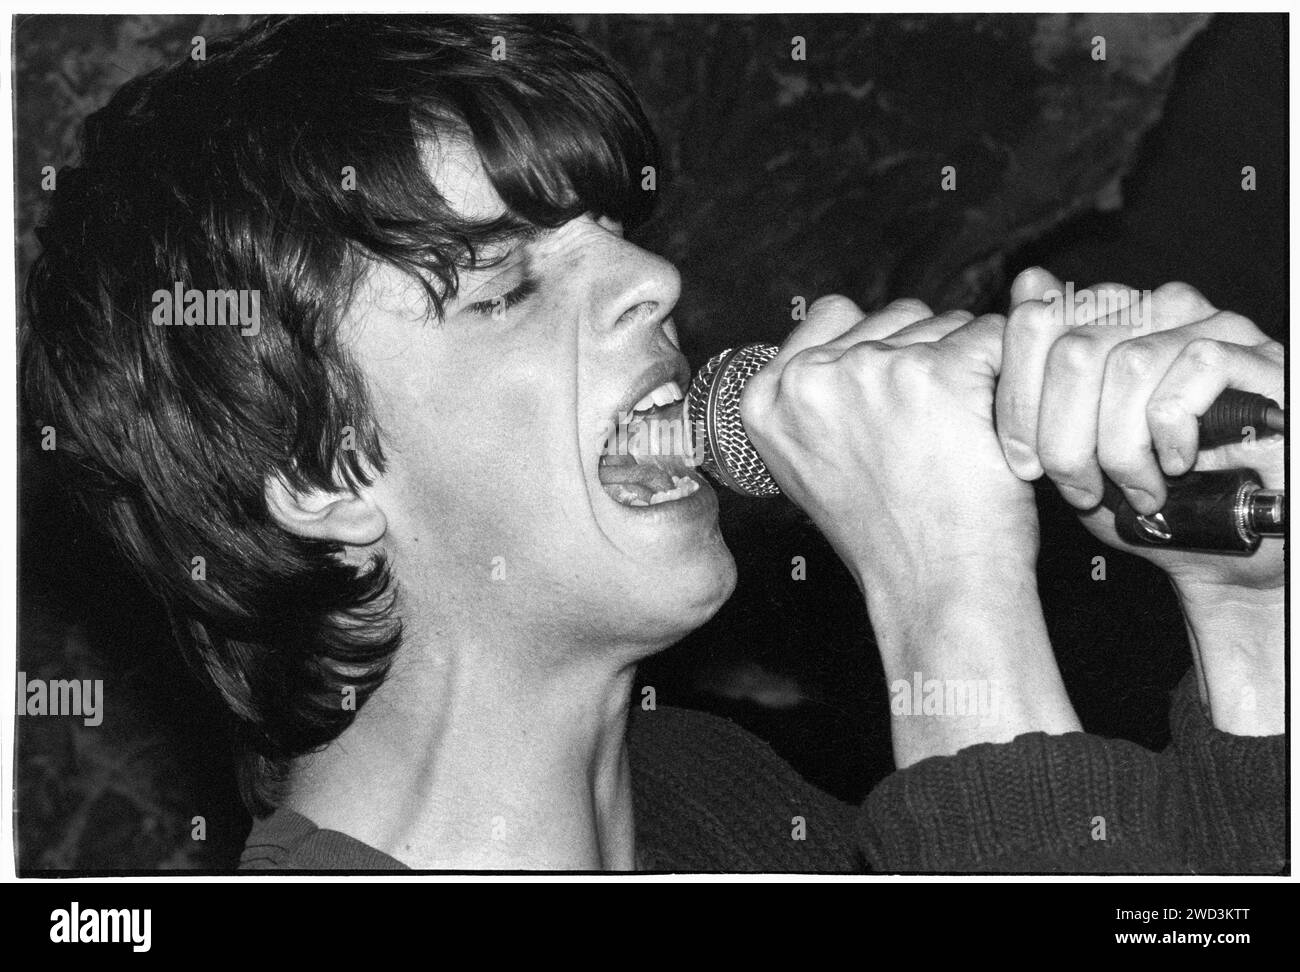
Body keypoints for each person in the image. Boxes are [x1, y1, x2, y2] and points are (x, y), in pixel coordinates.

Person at [22, 14, 1285, 872]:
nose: (654, 276)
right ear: (322, 476)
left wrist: (1246, 624)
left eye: (612, 234)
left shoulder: (721, 802)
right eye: (506, 287)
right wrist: (945, 593)